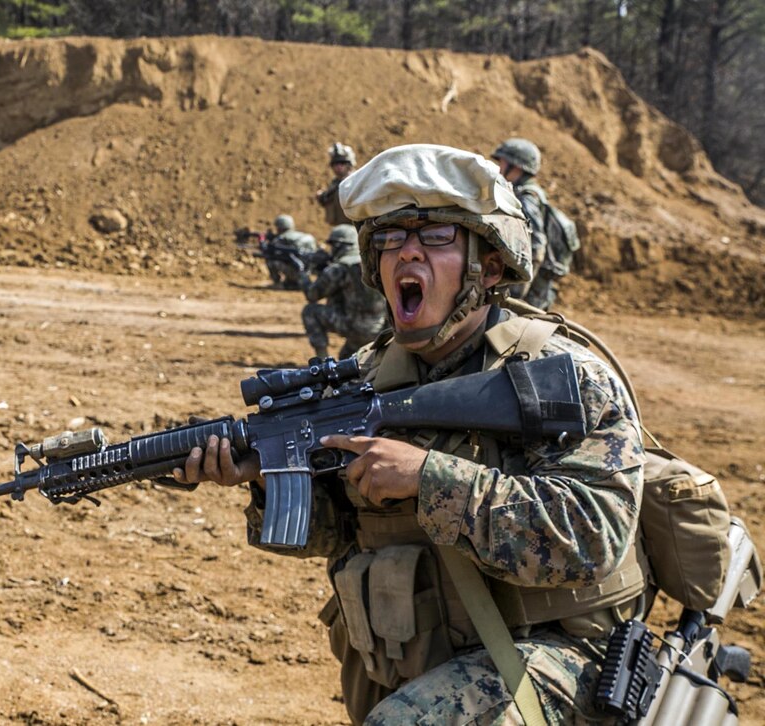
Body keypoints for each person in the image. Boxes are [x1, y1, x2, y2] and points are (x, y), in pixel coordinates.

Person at [174, 144, 647, 725]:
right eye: (391, 238)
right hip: (424, 653)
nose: (408, 252)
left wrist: (428, 477)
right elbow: (342, 533)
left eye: (437, 237)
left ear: (489, 268)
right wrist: (268, 476)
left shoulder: (559, 376)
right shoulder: (371, 374)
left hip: (565, 656)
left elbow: (592, 536)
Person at [299, 224, 388, 360]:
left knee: (310, 311)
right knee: (345, 359)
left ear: (341, 246)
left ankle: (322, 361)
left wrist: (304, 277)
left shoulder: (339, 268)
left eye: (333, 246)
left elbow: (313, 295)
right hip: (383, 330)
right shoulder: (375, 262)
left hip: (353, 327)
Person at [491, 138, 558, 310]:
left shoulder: (527, 199)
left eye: (502, 163)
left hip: (530, 291)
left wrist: (516, 293)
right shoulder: (524, 193)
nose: (498, 168)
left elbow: (536, 246)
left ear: (517, 166)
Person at [265, 214, 320, 290]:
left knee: (271, 260)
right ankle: (291, 282)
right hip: (309, 272)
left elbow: (274, 253)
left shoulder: (282, 238)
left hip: (297, 271)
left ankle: (278, 283)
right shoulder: (306, 236)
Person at [316, 142, 357, 227]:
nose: (338, 167)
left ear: (348, 165)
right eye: (335, 164)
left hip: (354, 226)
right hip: (339, 226)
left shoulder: (355, 180)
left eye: (342, 163)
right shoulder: (335, 183)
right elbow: (327, 199)